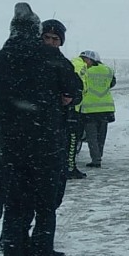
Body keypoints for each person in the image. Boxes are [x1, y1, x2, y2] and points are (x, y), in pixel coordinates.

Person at [0, 3, 81, 256]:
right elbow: (73, 88)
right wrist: (62, 98)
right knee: (46, 206)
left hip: (12, 145)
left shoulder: (1, 59)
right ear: (36, 32)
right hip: (46, 143)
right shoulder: (48, 56)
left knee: (15, 206)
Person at [43, 18, 88, 181]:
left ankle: (67, 169)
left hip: (58, 122)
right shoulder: (27, 60)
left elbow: (77, 90)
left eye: (55, 39)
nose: (49, 42)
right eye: (46, 37)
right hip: (30, 126)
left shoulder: (64, 64)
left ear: (61, 42)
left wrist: (71, 97)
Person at [74, 50, 117, 168]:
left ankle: (96, 159)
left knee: (91, 136)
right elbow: (112, 83)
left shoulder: (84, 69)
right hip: (106, 107)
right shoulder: (108, 70)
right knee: (101, 135)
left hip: (89, 108)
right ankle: (99, 156)